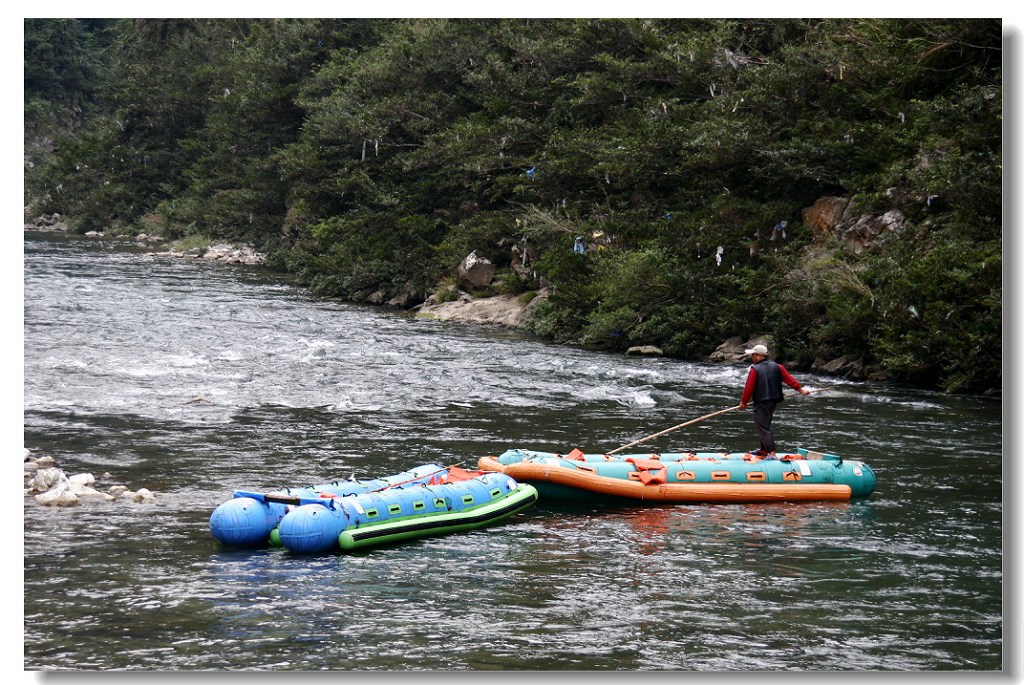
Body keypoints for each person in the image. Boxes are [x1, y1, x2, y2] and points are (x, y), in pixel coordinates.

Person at [738, 344, 810, 458]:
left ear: (758, 356)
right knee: (765, 424)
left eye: (753, 355)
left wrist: (744, 402)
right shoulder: (778, 367)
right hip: (773, 401)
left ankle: (772, 453)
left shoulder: (754, 369)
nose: (752, 357)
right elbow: (789, 379)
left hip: (761, 402)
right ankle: (763, 450)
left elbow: (749, 387)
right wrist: (800, 390)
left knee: (762, 427)